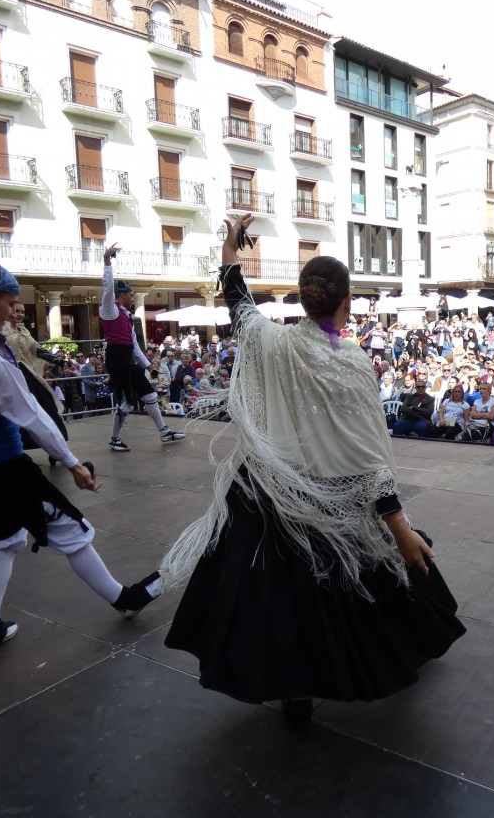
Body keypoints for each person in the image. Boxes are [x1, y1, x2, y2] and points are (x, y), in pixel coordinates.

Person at [162, 214, 464, 719]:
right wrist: (399, 528)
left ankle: (293, 695)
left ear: (304, 299)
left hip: (269, 495)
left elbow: (237, 298)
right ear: (345, 302)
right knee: (346, 592)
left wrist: (230, 245)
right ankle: (349, 672)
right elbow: (365, 458)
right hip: (326, 499)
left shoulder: (270, 340)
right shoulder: (349, 362)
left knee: (279, 603)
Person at [0, 213, 163, 659]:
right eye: (9, 303)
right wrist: (73, 463)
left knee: (5, 540)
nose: (13, 310)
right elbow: (31, 415)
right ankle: (123, 599)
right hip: (2, 466)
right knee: (72, 530)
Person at [100, 245, 184, 451]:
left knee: (150, 395)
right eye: (130, 294)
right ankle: (114, 439)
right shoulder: (109, 310)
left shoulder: (127, 318)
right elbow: (108, 288)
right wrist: (107, 262)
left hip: (127, 360)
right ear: (122, 296)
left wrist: (148, 367)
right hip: (117, 361)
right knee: (128, 402)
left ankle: (164, 432)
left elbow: (134, 346)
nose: (132, 297)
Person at [4, 301, 68, 466]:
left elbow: (35, 348)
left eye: (22, 311)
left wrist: (56, 360)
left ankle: (56, 448)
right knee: (20, 412)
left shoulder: (23, 330)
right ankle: (15, 451)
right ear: (8, 310)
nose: (19, 314)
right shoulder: (1, 328)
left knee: (47, 406)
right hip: (11, 374)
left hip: (30, 374)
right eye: (16, 311)